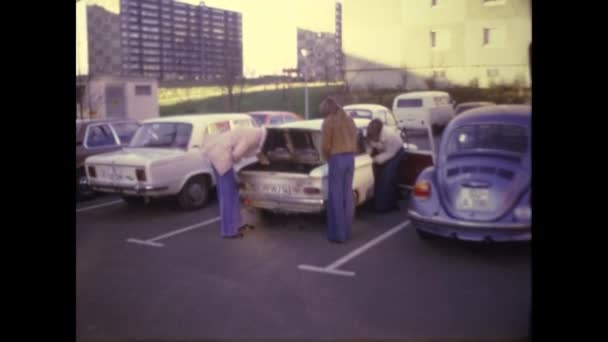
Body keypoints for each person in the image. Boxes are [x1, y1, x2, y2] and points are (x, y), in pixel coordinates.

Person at [202, 126, 268, 239]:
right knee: (228, 196)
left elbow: (256, 151)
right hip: (222, 157)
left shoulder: (253, 132)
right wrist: (238, 165)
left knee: (229, 193)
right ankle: (229, 231)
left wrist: (264, 160)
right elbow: (236, 155)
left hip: (215, 153)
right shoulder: (252, 137)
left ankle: (237, 225)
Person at [320, 97, 358, 243]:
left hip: (336, 158)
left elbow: (325, 145)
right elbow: (355, 137)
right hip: (350, 158)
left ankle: (338, 235)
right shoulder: (349, 119)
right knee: (347, 195)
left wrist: (325, 157)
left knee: (335, 197)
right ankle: (347, 232)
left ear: (326, 109)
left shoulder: (328, 122)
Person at [366, 118, 406, 213]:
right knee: (381, 176)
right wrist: (368, 155)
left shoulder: (389, 136)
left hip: (396, 152)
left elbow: (390, 153)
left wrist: (375, 160)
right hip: (384, 151)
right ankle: (393, 198)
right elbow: (370, 145)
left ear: (379, 132)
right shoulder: (370, 132)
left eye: (374, 136)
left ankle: (383, 207)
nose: (373, 138)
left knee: (386, 177)